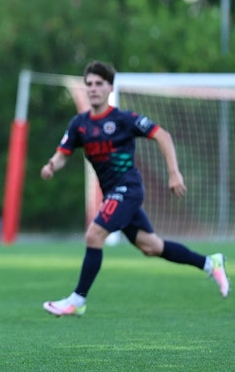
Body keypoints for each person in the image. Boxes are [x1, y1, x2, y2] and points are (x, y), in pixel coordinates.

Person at [40, 60, 229, 317]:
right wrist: (52, 165)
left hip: (128, 189)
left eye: (99, 84)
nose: (93, 89)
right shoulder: (79, 124)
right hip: (113, 194)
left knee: (94, 235)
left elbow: (163, 135)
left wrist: (174, 173)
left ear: (109, 88)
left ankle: (77, 300)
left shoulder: (124, 119)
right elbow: (63, 153)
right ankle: (210, 263)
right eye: (89, 85)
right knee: (151, 247)